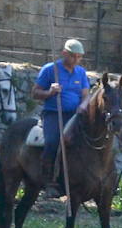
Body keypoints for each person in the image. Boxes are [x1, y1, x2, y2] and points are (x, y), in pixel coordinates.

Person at [31, 38, 90, 197]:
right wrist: (49, 92)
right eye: (74, 56)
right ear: (65, 53)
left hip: (75, 115)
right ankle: (48, 180)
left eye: (80, 57)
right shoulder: (50, 70)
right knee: (53, 141)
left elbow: (86, 95)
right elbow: (35, 93)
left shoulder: (81, 72)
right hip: (53, 113)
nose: (77, 60)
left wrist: (83, 105)